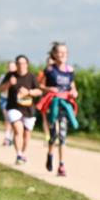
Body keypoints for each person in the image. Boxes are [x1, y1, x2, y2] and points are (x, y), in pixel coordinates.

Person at [37, 42, 79, 177]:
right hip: (52, 104)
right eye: (60, 52)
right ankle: (50, 154)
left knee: (62, 136)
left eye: (65, 53)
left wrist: (74, 92)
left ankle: (61, 165)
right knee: (53, 135)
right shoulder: (49, 70)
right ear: (54, 54)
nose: (62, 55)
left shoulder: (70, 70)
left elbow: (73, 86)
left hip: (65, 105)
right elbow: (39, 85)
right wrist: (49, 89)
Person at [0, 55, 42, 165]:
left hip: (28, 108)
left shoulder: (32, 76)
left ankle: (23, 153)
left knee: (27, 134)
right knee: (18, 130)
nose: (21, 65)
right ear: (16, 64)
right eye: (18, 63)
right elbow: (1, 89)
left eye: (23, 63)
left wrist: (28, 92)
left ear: (27, 64)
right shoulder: (10, 75)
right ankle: (18, 154)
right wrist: (9, 83)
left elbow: (39, 91)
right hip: (13, 107)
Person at [0, 61, 17, 146]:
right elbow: (1, 89)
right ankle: (6, 137)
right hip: (5, 99)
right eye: (9, 67)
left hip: (15, 100)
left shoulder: (18, 77)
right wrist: (9, 83)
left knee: (13, 119)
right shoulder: (3, 77)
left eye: (13, 67)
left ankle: (11, 137)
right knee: (7, 118)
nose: (11, 69)